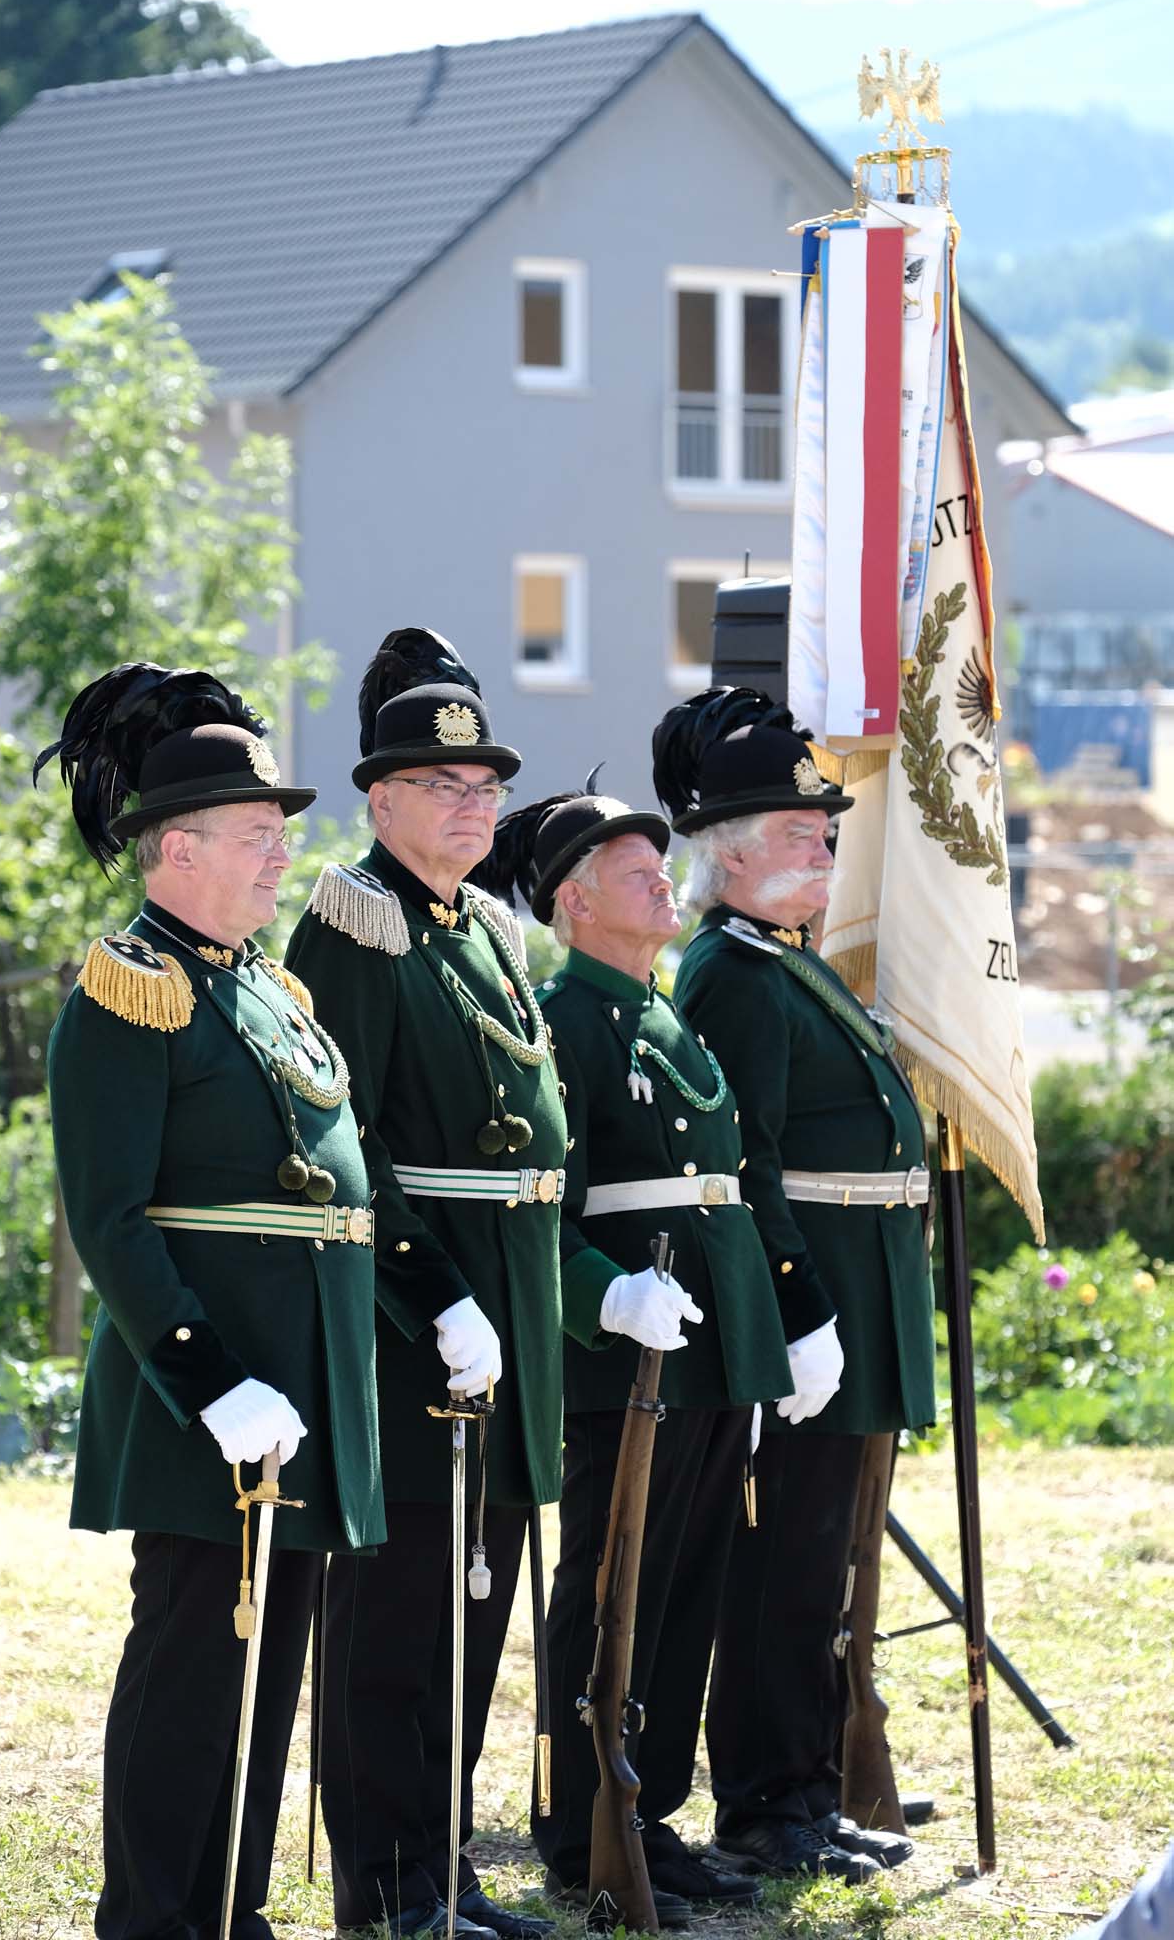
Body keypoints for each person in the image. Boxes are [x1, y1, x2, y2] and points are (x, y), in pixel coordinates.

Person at [41, 663, 385, 1940]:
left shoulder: (264, 988)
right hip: (209, 1386)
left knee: (267, 1664)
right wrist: (209, 1380)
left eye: (280, 831)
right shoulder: (131, 985)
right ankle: (152, 1918)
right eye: (256, 833)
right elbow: (110, 1216)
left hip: (296, 1376)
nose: (282, 852)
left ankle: (230, 1911)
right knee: (193, 1657)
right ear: (176, 848)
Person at [472, 783, 798, 1925]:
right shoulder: (562, 1020)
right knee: (613, 1584)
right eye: (633, 870)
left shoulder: (661, 1013)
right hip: (627, 1348)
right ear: (573, 900)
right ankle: (583, 1822)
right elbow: (545, 1204)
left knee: (685, 1581)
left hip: (705, 1336)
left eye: (660, 865)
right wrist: (603, 1300)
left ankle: (647, 1810)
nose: (664, 880)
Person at [285, 630, 567, 1940]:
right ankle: (385, 1889)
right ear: (379, 798)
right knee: (396, 1615)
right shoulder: (356, 922)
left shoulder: (485, 931)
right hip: (414, 1324)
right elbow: (342, 1143)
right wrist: (434, 1292)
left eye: (485, 786)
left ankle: (442, 1869)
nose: (470, 805)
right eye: (441, 786)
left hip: (506, 1309)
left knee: (474, 1604)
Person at [656, 689, 933, 1885]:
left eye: (824, 829)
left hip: (857, 1290)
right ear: (727, 851)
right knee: (780, 1560)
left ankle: (811, 1786)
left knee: (825, 1554)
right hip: (809, 1298)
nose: (823, 846)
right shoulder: (731, 970)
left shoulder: (784, 960)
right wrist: (798, 1309)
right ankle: (768, 1803)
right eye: (797, 830)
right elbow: (745, 1161)